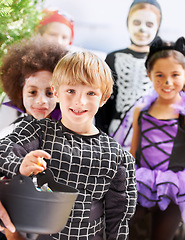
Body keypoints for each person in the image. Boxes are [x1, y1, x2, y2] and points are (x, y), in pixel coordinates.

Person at [0, 51, 137, 240]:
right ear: (56, 92)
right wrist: (20, 164)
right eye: (71, 91)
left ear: (104, 98)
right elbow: (3, 150)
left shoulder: (116, 156)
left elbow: (118, 218)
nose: (79, 101)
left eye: (90, 93)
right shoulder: (37, 131)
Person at [129, 36, 185, 240]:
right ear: (149, 74)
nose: (167, 82)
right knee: (121, 227)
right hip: (140, 181)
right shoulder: (141, 110)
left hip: (174, 187)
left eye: (175, 75)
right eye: (159, 75)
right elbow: (133, 150)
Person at [95, 0, 162, 151]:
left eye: (150, 24)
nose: (142, 29)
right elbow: (102, 100)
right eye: (137, 22)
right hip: (114, 135)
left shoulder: (162, 61)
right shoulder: (113, 57)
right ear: (128, 23)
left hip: (150, 136)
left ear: (158, 27)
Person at [0, 36, 68, 139]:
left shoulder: (70, 135)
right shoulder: (7, 136)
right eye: (32, 92)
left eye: (49, 93)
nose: (41, 100)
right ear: (19, 91)